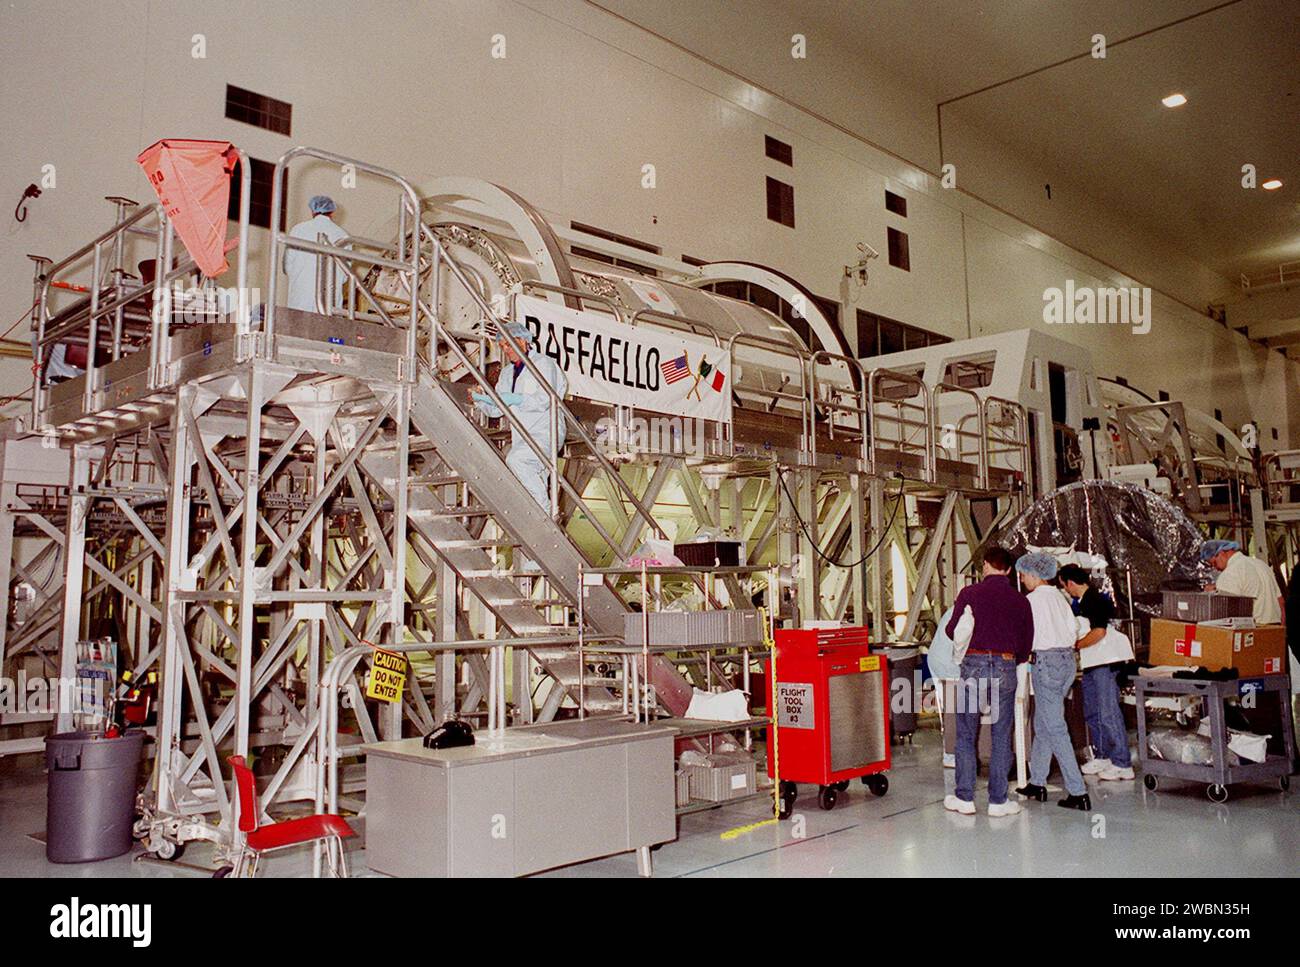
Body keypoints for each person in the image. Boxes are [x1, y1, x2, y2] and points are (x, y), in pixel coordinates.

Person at [943, 546, 1033, 817]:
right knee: (1001, 733)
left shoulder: (969, 594)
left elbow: (951, 630)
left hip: (974, 665)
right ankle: (998, 801)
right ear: (1009, 570)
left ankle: (965, 798)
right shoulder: (1021, 600)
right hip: (1006, 666)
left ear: (984, 566)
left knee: (967, 732)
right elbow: (1026, 643)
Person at [1014, 554, 1091, 810]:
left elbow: (1024, 635)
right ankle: (1037, 781)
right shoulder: (1061, 598)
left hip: (1045, 663)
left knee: (1055, 727)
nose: (1022, 580)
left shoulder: (1031, 601)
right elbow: (1074, 631)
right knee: (1044, 722)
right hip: (1067, 661)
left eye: (1023, 575)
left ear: (1034, 575)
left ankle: (1078, 791)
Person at [472, 319, 567, 512]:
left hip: (545, 431)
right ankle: (541, 524)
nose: (506, 349)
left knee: (517, 460)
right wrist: (481, 399)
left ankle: (546, 515)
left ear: (523, 341)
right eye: (502, 346)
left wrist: (516, 399)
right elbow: (498, 409)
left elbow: (545, 399)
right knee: (533, 479)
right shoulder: (507, 373)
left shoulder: (544, 364)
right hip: (522, 436)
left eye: (509, 343)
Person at [1059, 564, 1134, 781]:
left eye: (1065, 586)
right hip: (1092, 663)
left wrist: (1076, 645)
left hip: (1106, 660)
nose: (1066, 590)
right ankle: (1103, 755)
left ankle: (1122, 762)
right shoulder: (1079, 603)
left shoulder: (1096, 599)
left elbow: (1099, 632)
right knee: (1092, 711)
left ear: (1070, 583)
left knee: (1108, 711)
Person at [284, 195, 348, 312]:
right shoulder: (343, 236)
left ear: (312, 210)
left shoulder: (298, 229)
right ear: (332, 211)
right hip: (330, 303)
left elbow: (288, 266)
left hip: (300, 300)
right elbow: (345, 275)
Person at [1199, 539, 1283, 625]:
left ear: (1221, 553)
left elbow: (1224, 617)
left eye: (1214, 563)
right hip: (1275, 629)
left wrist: (1212, 595)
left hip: (1254, 630)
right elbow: (1280, 601)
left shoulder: (1229, 573)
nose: (1215, 568)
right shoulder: (1262, 565)